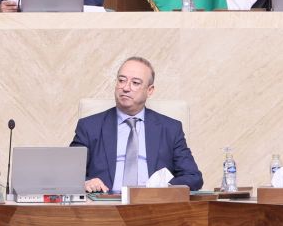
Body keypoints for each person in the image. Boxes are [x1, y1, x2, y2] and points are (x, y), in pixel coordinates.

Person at [72, 57, 202, 192]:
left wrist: (162, 187)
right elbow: (69, 174)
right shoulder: (89, 126)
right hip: (106, 201)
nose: (125, 88)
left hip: (153, 201)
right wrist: (86, 182)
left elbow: (193, 177)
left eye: (135, 83)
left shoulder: (170, 129)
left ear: (149, 90)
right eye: (121, 80)